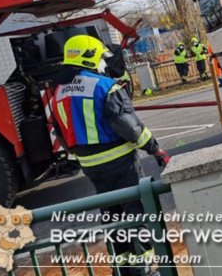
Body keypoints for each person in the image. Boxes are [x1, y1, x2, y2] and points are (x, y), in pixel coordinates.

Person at [51, 35, 169, 275]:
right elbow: (129, 126)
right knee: (137, 214)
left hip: (91, 168)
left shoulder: (58, 93)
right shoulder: (104, 86)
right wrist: (155, 149)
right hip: (121, 163)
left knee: (112, 216)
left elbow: (59, 131)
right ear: (89, 57)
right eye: (101, 57)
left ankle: (122, 268)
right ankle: (143, 268)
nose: (103, 63)